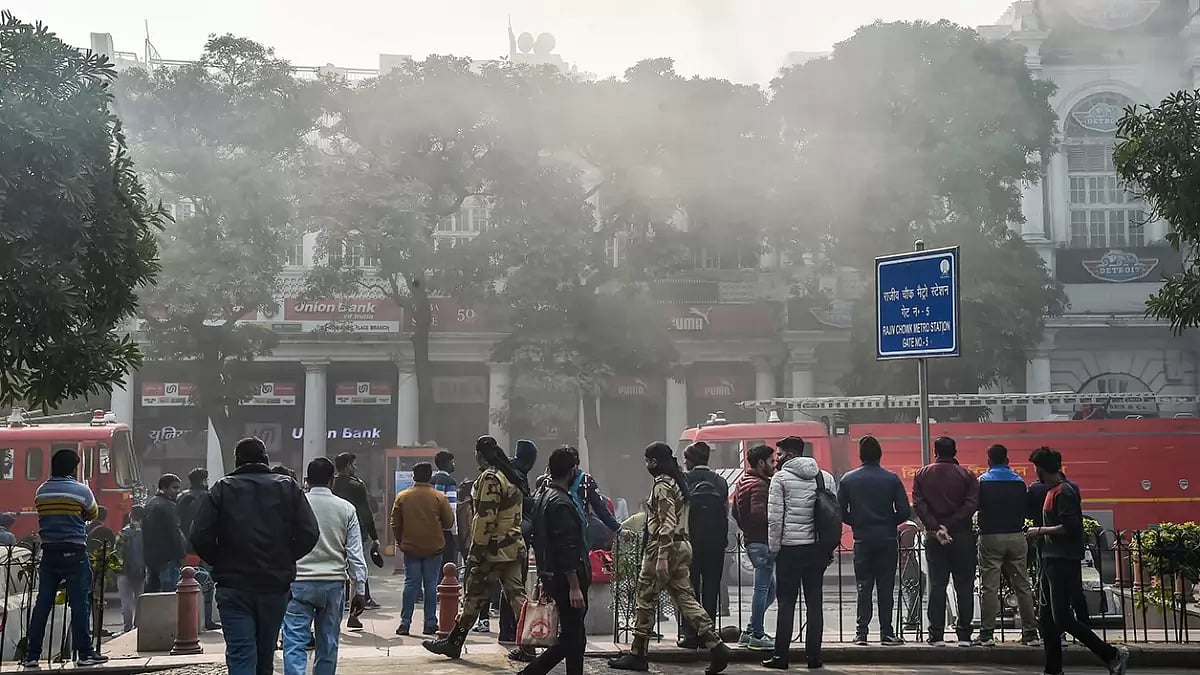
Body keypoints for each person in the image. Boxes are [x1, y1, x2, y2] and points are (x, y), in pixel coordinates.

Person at [190, 437, 320, 675]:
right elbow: (309, 532)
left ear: (237, 461)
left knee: (241, 652)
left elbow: (199, 535)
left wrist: (220, 560)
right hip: (274, 584)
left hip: (234, 585)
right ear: (266, 460)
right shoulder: (288, 487)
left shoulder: (222, 489)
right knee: (265, 653)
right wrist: (285, 556)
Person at [608, 442, 730, 674]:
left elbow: (666, 523)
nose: (647, 465)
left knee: (645, 599)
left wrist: (662, 557)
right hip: (683, 545)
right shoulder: (679, 482)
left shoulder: (663, 485)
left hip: (662, 547)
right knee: (686, 598)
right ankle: (716, 645)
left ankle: (637, 653)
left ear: (654, 462)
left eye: (648, 461)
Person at [423, 436, 530, 660]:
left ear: (479, 455)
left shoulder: (490, 478)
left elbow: (485, 518)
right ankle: (529, 644)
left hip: (492, 550)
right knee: (517, 597)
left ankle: (454, 642)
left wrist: (475, 552)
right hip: (512, 547)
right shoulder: (511, 476)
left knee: (473, 596)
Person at [1026, 447, 1128, 675]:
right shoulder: (1057, 489)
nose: (1035, 473)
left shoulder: (1064, 492)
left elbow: (1071, 527)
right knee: (1048, 620)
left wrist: (1039, 531)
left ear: (1041, 469)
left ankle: (1111, 654)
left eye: (1036, 469)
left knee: (1061, 618)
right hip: (1052, 561)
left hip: (1062, 562)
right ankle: (1053, 670)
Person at [282, 457, 368, 675]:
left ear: (307, 480)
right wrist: (359, 590)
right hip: (333, 584)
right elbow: (355, 554)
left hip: (298, 581)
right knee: (328, 642)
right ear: (332, 481)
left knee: (294, 640)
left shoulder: (293, 506)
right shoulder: (346, 509)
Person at [22, 448, 108, 667]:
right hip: (74, 552)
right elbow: (93, 513)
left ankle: (32, 656)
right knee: (79, 604)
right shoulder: (81, 490)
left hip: (49, 553)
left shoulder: (41, 491)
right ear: (73, 467)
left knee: (43, 604)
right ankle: (85, 654)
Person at [762, 435, 835, 670]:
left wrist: (774, 549)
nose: (776, 461)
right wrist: (828, 548)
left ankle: (781, 656)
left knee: (786, 604)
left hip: (790, 551)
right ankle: (814, 657)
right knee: (815, 604)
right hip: (816, 550)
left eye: (779, 455)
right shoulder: (825, 477)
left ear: (790, 455)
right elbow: (833, 516)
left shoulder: (780, 479)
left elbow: (775, 520)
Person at [519, 447, 591, 675]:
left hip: (552, 574)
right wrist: (574, 586)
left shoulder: (543, 497)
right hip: (566, 578)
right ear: (572, 471)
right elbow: (566, 548)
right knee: (571, 637)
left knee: (576, 636)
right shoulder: (560, 503)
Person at [837, 435, 910, 646]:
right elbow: (904, 510)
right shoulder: (891, 478)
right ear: (880, 455)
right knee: (886, 587)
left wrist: (857, 523)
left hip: (862, 539)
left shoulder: (848, 479)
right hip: (886, 539)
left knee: (863, 586)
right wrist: (888, 522)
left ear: (860, 456)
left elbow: (840, 511)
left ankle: (862, 633)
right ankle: (887, 633)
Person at [912, 436, 979, 647]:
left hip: (934, 538)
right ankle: (965, 634)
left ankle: (936, 634)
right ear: (955, 451)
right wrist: (950, 525)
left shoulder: (922, 474)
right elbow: (971, 504)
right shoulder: (967, 475)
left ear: (935, 452)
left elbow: (919, 504)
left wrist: (936, 527)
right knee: (964, 585)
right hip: (962, 536)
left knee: (937, 585)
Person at [976, 444, 1039, 647]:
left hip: (991, 537)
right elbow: (1027, 510)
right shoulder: (1019, 482)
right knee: (1022, 585)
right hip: (1016, 536)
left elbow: (976, 506)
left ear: (989, 461)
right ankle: (1030, 633)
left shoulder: (982, 482)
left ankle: (986, 634)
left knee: (990, 587)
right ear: (1007, 460)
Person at [390, 461, 453, 636]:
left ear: (413, 476)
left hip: (410, 547)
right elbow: (449, 522)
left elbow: (395, 523)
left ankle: (405, 623)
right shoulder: (439, 497)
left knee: (410, 583)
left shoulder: (403, 496)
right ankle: (430, 623)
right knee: (431, 585)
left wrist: (400, 541)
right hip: (434, 547)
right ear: (430, 477)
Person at [677, 441, 729, 650]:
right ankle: (709, 632)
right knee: (712, 588)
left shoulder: (683, 480)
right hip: (715, 543)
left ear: (689, 461)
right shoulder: (720, 482)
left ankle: (690, 634)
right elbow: (725, 511)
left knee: (688, 589)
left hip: (689, 542)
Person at [732, 444, 775, 651]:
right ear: (761, 463)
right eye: (771, 461)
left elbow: (735, 512)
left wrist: (746, 529)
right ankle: (756, 633)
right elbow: (759, 514)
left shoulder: (743, 481)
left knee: (771, 589)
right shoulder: (759, 485)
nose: (774, 465)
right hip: (762, 542)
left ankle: (750, 629)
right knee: (762, 589)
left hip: (752, 541)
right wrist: (775, 524)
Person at [332, 452, 380, 613]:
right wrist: (374, 536)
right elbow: (365, 512)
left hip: (335, 531)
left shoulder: (331, 484)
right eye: (353, 464)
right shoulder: (357, 485)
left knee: (340, 564)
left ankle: (345, 598)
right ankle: (362, 596)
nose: (355, 467)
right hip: (356, 530)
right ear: (347, 466)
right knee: (358, 563)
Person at [143, 473, 187, 593]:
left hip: (151, 558)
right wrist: (182, 554)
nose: (178, 491)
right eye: (174, 488)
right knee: (169, 595)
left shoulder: (150, 504)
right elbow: (174, 532)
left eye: (178, 488)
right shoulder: (168, 506)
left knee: (153, 596)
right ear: (164, 488)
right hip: (168, 558)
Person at [116, 506, 146, 634]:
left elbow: (117, 552)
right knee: (140, 600)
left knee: (126, 601)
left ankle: (127, 628)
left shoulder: (124, 532)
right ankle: (138, 626)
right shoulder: (147, 532)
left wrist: (116, 569)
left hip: (125, 571)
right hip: (141, 571)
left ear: (131, 515)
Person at [431, 450, 459, 565]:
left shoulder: (430, 480)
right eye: (452, 462)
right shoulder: (450, 482)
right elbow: (451, 508)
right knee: (448, 564)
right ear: (447, 464)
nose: (454, 465)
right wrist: (455, 531)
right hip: (445, 531)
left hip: (431, 529)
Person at [176, 467, 209, 535]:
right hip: (201, 535)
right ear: (203, 481)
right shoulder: (208, 497)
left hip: (183, 536)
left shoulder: (181, 496)